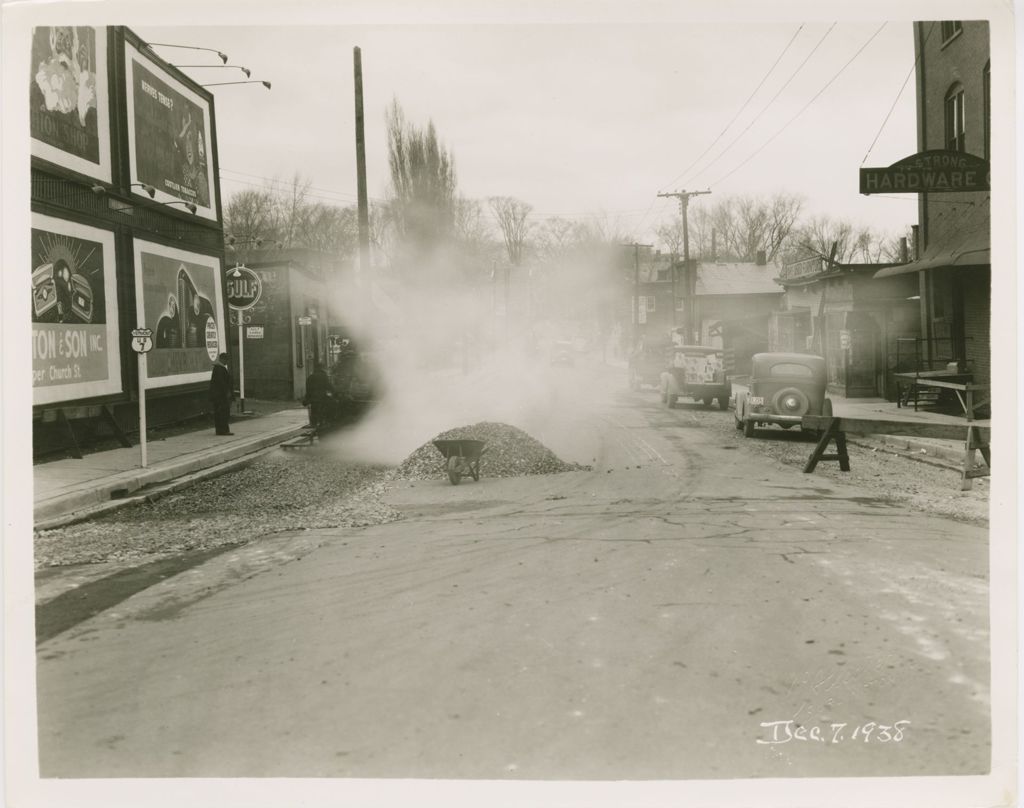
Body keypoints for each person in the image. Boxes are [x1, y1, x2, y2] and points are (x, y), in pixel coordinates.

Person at [304, 361, 335, 432]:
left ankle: (314, 426)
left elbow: (308, 390)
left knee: (314, 412)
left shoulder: (310, 377)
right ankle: (324, 423)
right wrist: (334, 392)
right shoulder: (324, 376)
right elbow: (329, 386)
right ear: (322, 368)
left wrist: (307, 399)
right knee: (330, 406)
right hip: (322, 398)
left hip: (313, 400)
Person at [209, 352, 233, 435]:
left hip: (218, 396)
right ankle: (223, 430)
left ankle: (220, 430)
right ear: (223, 359)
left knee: (219, 413)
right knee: (223, 413)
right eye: (226, 360)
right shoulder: (220, 369)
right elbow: (222, 383)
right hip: (221, 396)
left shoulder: (217, 368)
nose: (227, 362)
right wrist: (227, 392)